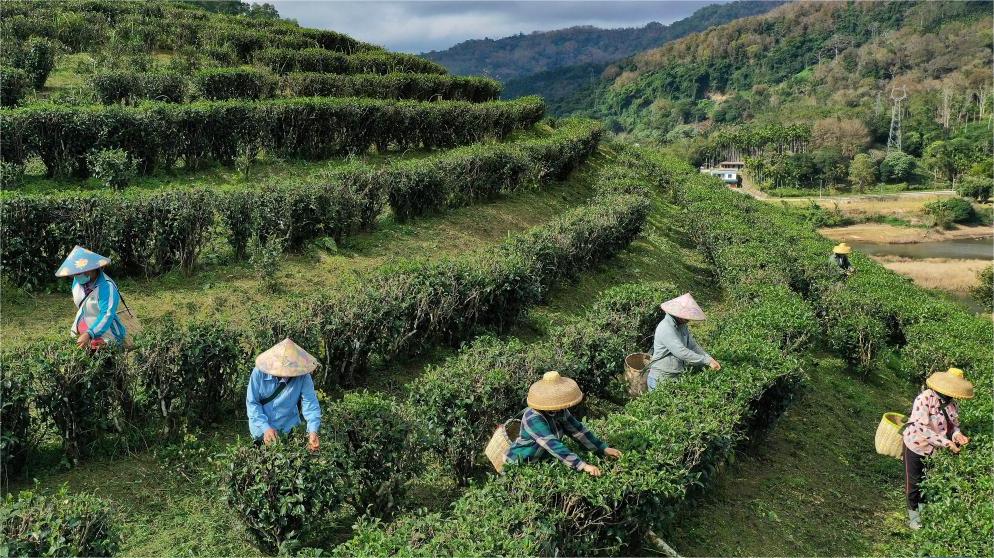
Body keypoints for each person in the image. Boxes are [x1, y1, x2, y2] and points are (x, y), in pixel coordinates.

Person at [505, 371, 622, 476]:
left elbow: (578, 431)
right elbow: (552, 444)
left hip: (540, 460)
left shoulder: (560, 411)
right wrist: (582, 465)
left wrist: (603, 448)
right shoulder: (533, 418)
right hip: (518, 463)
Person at [902, 367, 973, 530]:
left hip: (934, 450)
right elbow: (922, 428)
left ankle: (923, 512)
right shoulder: (924, 398)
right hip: (915, 445)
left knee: (925, 480)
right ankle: (913, 518)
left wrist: (957, 436)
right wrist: (947, 443)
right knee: (913, 482)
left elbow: (953, 426)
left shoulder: (952, 404)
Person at [246, 338, 322, 452]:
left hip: (288, 428)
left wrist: (313, 431)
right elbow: (252, 403)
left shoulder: (303, 376)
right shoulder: (259, 373)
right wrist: (265, 428)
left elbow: (310, 403)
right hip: (260, 429)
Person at [55, 245, 126, 350]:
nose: (77, 276)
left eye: (80, 272)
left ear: (93, 268)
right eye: (75, 274)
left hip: (108, 331)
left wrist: (89, 334)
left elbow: (106, 314)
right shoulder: (77, 281)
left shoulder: (107, 287)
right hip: (87, 323)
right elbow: (82, 307)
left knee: (103, 356)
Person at [647, 292, 720, 390]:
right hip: (660, 379)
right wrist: (705, 361)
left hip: (675, 377)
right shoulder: (666, 327)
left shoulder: (682, 325)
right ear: (677, 314)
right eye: (686, 316)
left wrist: (709, 358)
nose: (688, 319)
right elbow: (681, 352)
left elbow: (692, 345)